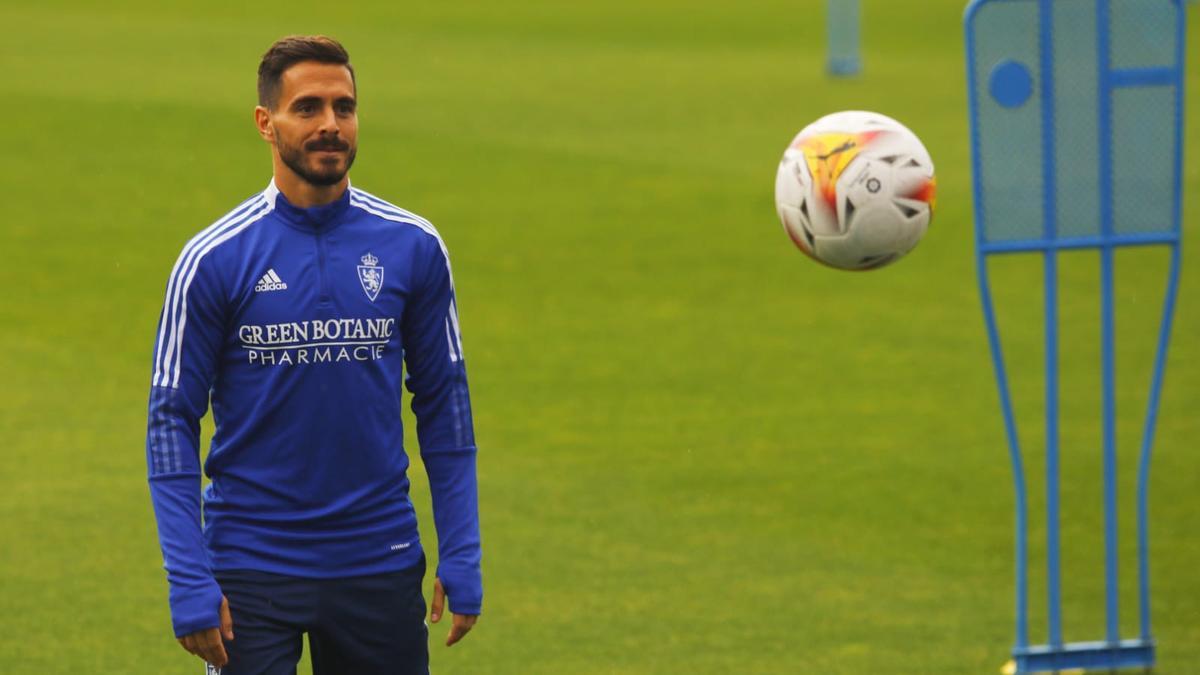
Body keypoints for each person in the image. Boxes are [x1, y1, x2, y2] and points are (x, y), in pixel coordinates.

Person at [145, 35, 481, 674]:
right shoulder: (214, 259)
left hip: (379, 559)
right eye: (308, 108)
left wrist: (461, 551)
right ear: (266, 123)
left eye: (343, 107)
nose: (330, 124)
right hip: (250, 569)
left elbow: (446, 406)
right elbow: (170, 421)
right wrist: (188, 577)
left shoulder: (413, 245)